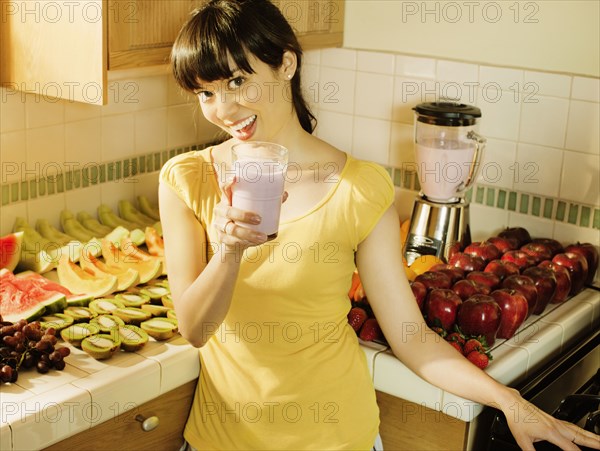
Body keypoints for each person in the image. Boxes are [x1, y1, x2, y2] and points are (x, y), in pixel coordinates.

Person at [158, 1, 600, 450]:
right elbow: (194, 329)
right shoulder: (186, 180)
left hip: (338, 437)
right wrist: (229, 254)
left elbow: (412, 338)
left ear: (286, 63)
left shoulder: (359, 188)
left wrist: (511, 402)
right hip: (220, 439)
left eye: (237, 81)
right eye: (206, 92)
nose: (224, 108)